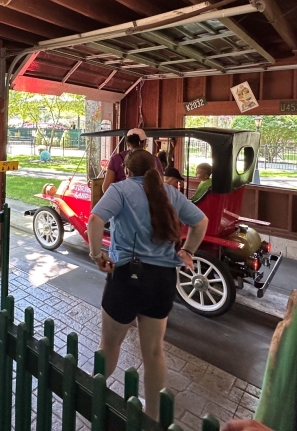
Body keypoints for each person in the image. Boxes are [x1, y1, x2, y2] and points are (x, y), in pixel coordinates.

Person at [87, 150, 208, 420]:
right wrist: (187, 251)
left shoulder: (119, 190)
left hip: (127, 277)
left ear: (127, 171)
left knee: (109, 345)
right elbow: (200, 222)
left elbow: (95, 220)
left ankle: (91, 395)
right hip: (162, 281)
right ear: (156, 170)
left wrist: (97, 255)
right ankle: (153, 418)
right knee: (154, 352)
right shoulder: (171, 193)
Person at [102, 128, 163, 193]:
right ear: (144, 142)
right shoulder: (154, 159)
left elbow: (106, 188)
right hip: (148, 198)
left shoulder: (117, 159)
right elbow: (161, 183)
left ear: (127, 143)